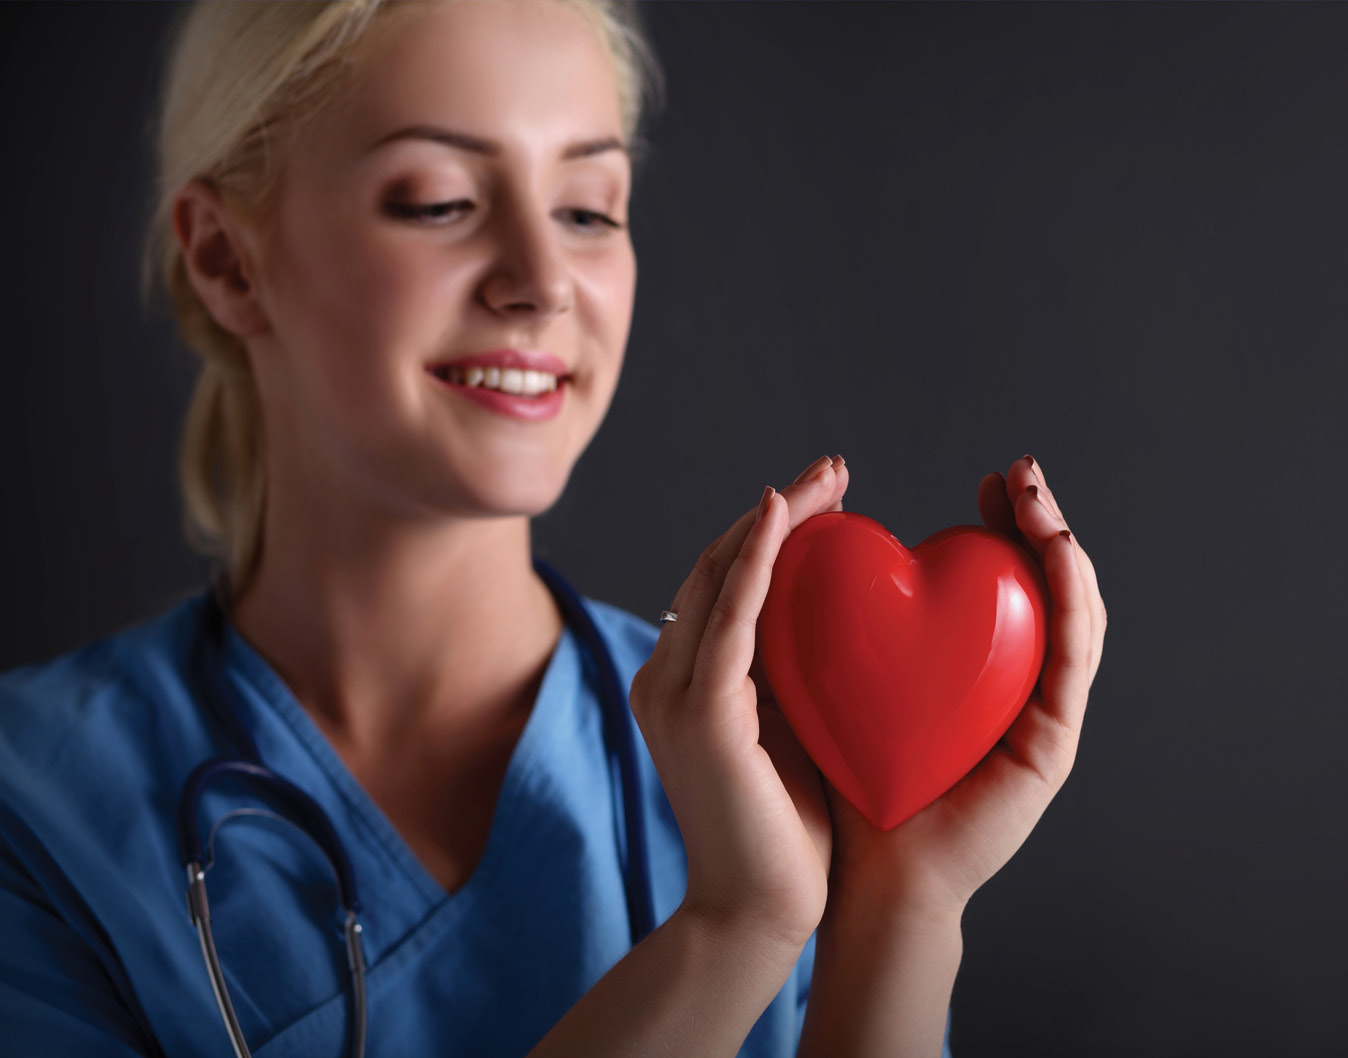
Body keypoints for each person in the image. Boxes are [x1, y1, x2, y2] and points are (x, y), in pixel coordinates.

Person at [0, 0, 1109, 1055]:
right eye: (438, 201)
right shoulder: (37, 810)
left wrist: (900, 902)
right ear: (227, 259)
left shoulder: (808, 751)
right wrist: (734, 931)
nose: (542, 283)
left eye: (588, 209)